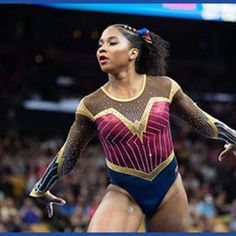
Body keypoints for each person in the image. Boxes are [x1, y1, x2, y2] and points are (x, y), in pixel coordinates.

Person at [29, 24, 236, 232]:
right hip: (125, 192)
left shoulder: (165, 86)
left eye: (112, 42)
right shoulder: (91, 104)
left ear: (133, 53)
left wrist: (233, 138)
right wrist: (41, 187)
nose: (102, 49)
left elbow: (204, 122)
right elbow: (69, 153)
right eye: (100, 44)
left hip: (169, 188)